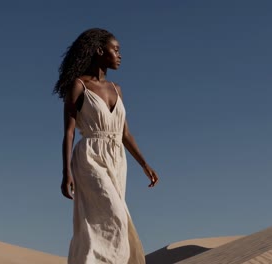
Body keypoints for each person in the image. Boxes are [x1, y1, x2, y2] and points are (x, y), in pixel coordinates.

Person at [53, 28, 159, 264]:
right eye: (116, 50)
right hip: (89, 156)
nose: (120, 55)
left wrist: (144, 164)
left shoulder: (116, 89)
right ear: (100, 51)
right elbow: (68, 132)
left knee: (104, 220)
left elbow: (124, 133)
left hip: (116, 159)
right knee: (115, 214)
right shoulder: (79, 86)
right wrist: (66, 172)